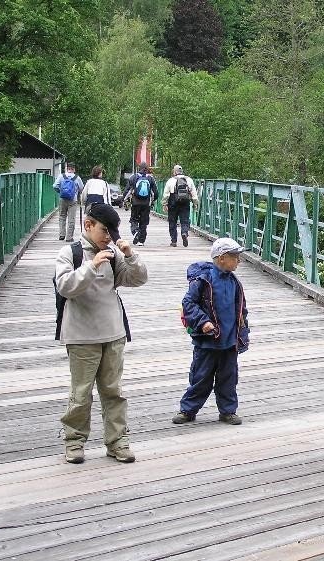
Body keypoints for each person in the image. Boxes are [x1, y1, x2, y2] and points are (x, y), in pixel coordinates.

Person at [54, 203, 148, 464]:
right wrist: (91, 265)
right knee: (81, 393)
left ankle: (117, 441)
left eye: (112, 232)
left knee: (113, 391)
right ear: (88, 225)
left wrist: (130, 256)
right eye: (105, 230)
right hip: (81, 335)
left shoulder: (113, 253)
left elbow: (138, 279)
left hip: (113, 333)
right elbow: (65, 287)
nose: (109, 237)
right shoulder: (69, 253)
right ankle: (74, 442)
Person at [172, 237, 250, 426]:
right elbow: (188, 303)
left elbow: (242, 310)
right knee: (201, 376)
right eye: (235, 257)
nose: (239, 261)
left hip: (229, 340)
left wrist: (243, 333)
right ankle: (188, 409)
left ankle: (228, 411)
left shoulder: (234, 282)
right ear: (222, 258)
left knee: (229, 377)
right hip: (208, 340)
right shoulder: (203, 279)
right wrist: (203, 321)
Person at [161, 164, 199, 247]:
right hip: (185, 202)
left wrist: (164, 204)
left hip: (173, 201)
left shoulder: (171, 180)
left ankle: (174, 241)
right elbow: (194, 193)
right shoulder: (189, 180)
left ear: (174, 172)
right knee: (185, 220)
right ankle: (184, 232)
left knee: (172, 221)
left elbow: (166, 194)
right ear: (182, 171)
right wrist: (195, 203)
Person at [123, 162, 158, 246]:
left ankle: (135, 232)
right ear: (147, 169)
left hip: (135, 203)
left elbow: (127, 191)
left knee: (134, 219)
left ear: (139, 168)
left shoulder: (133, 177)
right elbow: (156, 193)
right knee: (144, 222)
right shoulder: (150, 178)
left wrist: (125, 200)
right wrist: (153, 201)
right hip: (146, 204)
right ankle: (141, 241)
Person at [53, 161, 84, 242]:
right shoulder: (77, 177)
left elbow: (55, 186)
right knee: (71, 219)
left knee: (62, 216)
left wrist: (61, 192)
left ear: (67, 168)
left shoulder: (61, 176)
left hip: (62, 199)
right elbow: (81, 188)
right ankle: (69, 237)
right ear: (74, 169)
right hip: (73, 200)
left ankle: (61, 235)